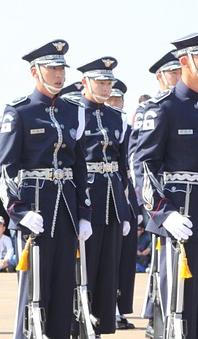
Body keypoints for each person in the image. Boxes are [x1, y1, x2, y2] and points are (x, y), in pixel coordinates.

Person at [135, 28, 198, 339]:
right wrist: (164, 213)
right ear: (186, 61)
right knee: (180, 312)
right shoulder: (162, 108)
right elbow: (144, 167)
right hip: (182, 220)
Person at [0, 39, 91, 339]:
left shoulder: (73, 110)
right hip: (34, 207)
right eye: (52, 68)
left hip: (66, 209)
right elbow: (5, 168)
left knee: (64, 285)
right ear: (35, 72)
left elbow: (80, 165)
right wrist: (18, 211)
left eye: (62, 67)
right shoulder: (19, 111)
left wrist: (84, 212)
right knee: (34, 284)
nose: (59, 74)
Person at [77, 58, 132, 336]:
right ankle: (80, 323)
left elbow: (123, 166)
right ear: (85, 82)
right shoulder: (74, 112)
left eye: (108, 82)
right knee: (84, 268)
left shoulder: (116, 117)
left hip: (111, 200)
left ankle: (100, 325)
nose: (105, 87)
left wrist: (123, 211)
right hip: (87, 197)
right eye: (100, 82)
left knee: (108, 270)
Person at [129, 50, 181, 338]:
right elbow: (139, 157)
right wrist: (145, 201)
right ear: (160, 77)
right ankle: (156, 315)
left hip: (176, 193)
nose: (177, 77)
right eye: (172, 73)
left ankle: (158, 314)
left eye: (178, 72)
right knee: (161, 263)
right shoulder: (149, 109)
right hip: (157, 194)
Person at [107, 78, 138, 330]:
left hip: (123, 195)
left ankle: (119, 306)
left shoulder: (126, 126)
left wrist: (130, 207)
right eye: (111, 99)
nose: (115, 103)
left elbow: (128, 168)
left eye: (118, 99)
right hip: (102, 197)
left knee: (124, 258)